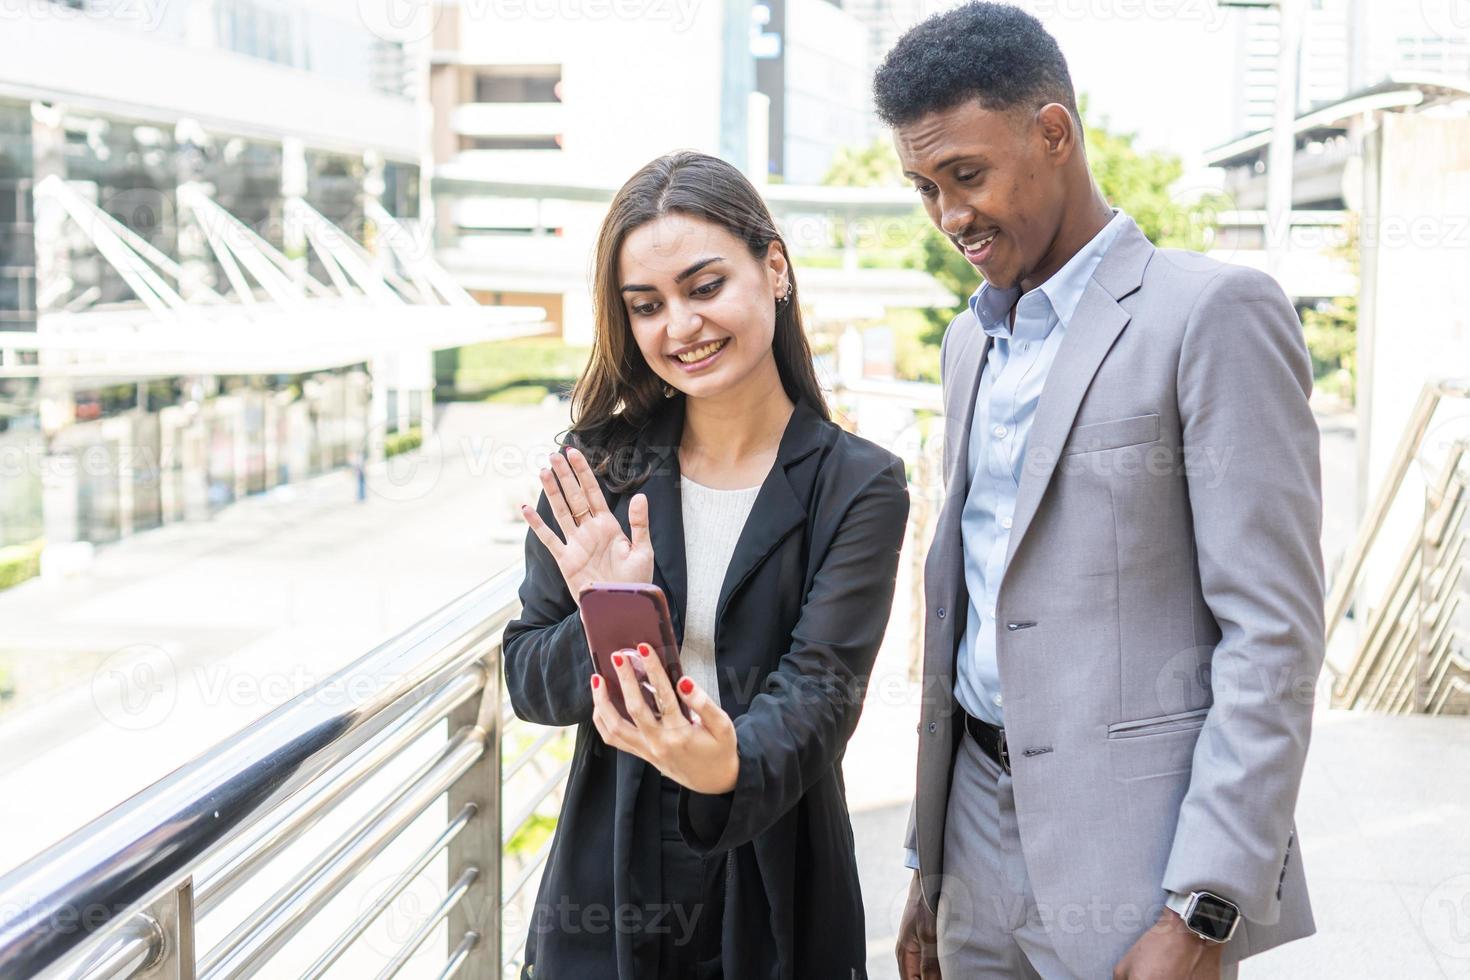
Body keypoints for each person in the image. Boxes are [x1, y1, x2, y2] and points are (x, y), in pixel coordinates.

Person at [876, 5, 1326, 979]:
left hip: (1139, 867)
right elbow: (970, 603)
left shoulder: (1212, 313)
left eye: (966, 174)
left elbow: (1273, 634)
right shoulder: (968, 343)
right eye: (924, 188)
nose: (950, 216)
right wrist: (929, 862)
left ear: (1054, 134)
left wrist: (1205, 907)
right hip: (972, 835)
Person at [503, 150, 910, 980]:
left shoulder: (859, 484)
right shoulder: (599, 469)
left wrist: (721, 762)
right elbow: (527, 680)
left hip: (779, 856)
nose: (679, 327)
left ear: (776, 268)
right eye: (646, 305)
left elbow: (820, 695)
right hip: (609, 863)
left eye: (704, 287)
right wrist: (609, 610)